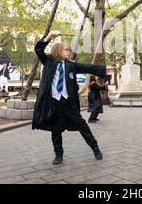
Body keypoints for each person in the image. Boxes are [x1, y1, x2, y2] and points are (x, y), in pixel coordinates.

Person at [32, 31, 106, 165]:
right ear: (58, 50)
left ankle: (95, 148)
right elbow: (38, 49)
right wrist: (48, 38)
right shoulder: (48, 61)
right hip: (54, 102)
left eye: (69, 50)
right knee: (55, 130)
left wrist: (103, 71)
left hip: (68, 102)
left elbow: (88, 67)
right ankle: (58, 154)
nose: (69, 52)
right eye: (66, 49)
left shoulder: (71, 65)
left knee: (83, 126)